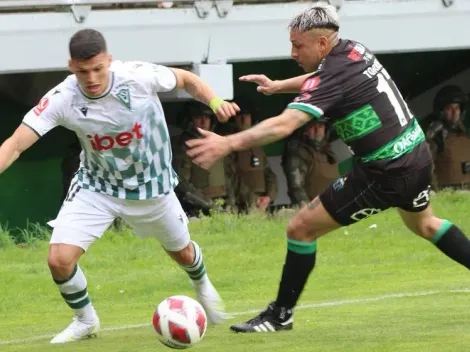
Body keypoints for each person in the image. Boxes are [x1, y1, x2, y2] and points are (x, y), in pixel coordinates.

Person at [185, 3, 470, 333]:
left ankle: (280, 315)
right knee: (427, 225)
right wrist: (279, 86)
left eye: (297, 45)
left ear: (322, 43)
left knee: (300, 229)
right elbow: (318, 78)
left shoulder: (332, 74)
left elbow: (284, 125)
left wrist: (227, 143)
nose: (292, 52)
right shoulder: (352, 51)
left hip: (385, 172)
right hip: (415, 155)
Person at [0, 28, 239, 343]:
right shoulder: (62, 98)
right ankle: (86, 321)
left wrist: (215, 99)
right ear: (72, 66)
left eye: (98, 68)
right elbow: (16, 143)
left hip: (153, 189)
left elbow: (186, 79)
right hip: (97, 187)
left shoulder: (138, 76)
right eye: (83, 71)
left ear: (109, 61)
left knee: (182, 253)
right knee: (59, 259)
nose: (92, 78)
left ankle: (203, 283)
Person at [282, 118, 338, 207]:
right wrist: (308, 210)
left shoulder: (328, 153)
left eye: (320, 126)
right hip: (313, 211)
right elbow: (296, 188)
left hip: (333, 208)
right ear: (303, 130)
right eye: (312, 126)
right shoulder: (299, 153)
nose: (317, 130)